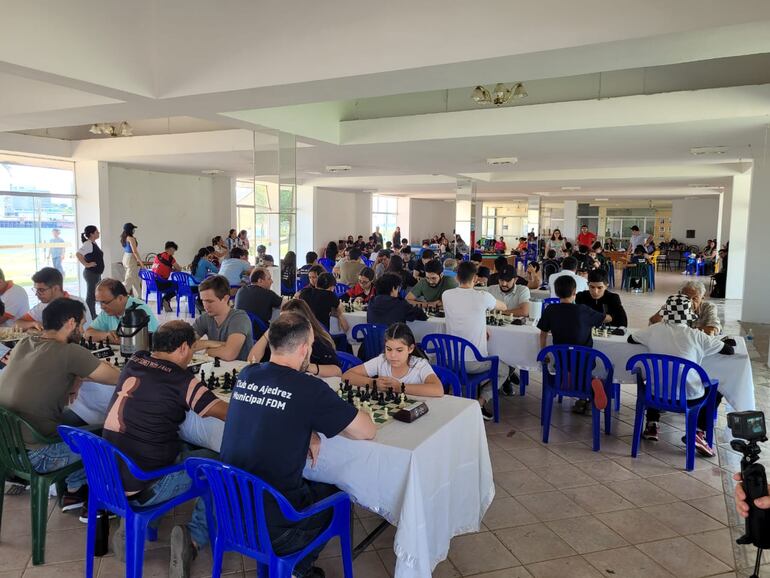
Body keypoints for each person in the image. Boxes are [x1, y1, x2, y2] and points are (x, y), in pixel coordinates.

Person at [171, 313, 376, 578]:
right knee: (338, 494)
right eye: (311, 345)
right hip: (276, 529)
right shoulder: (309, 388)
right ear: (304, 348)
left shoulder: (247, 374)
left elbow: (274, 409)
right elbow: (366, 430)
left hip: (229, 512)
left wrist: (310, 427)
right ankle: (296, 570)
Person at [102, 320, 228, 560]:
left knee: (183, 446)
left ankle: (134, 526)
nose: (191, 355)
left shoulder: (135, 360)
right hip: (144, 485)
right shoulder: (182, 380)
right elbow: (224, 412)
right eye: (191, 349)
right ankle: (193, 539)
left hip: (108, 477)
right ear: (182, 348)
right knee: (218, 465)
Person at [0, 298, 120, 511]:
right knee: (111, 439)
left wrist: (78, 376)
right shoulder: (70, 353)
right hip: (39, 456)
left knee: (73, 425)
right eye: (82, 324)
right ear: (70, 323)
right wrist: (83, 371)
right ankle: (100, 504)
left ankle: (74, 493)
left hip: (6, 449)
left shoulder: (24, 344)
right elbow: (116, 377)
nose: (83, 331)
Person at [629, 294, 734, 455]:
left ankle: (652, 424)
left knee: (656, 379)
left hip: (655, 394)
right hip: (689, 396)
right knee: (716, 389)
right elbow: (729, 350)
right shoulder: (697, 336)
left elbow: (631, 339)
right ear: (689, 315)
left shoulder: (653, 331)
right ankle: (698, 432)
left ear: (665, 312)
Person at [442, 261, 510, 420]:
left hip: (448, 360)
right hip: (474, 363)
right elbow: (504, 307)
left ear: (457, 276)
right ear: (475, 278)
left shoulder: (446, 295)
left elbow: (463, 315)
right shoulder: (483, 297)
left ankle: (454, 396)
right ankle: (479, 402)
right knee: (504, 369)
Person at [538, 275, 608, 414]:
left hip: (562, 362)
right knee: (584, 366)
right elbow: (605, 318)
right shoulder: (583, 310)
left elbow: (543, 333)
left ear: (556, 292)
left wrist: (543, 351)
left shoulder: (550, 310)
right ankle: (590, 384)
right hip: (586, 362)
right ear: (574, 292)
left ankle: (573, 387)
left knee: (564, 366)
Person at [342, 322, 443, 396]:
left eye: (399, 350)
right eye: (388, 349)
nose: (392, 355)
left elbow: (438, 390)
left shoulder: (419, 365)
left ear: (410, 349)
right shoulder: (381, 360)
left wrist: (399, 387)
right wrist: (372, 383)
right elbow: (346, 376)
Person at [247, 299, 342, 376]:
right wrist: (268, 334)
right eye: (281, 319)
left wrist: (306, 366)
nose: (283, 323)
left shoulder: (318, 341)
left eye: (287, 320)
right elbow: (252, 360)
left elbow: (337, 371)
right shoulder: (277, 336)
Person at [192, 275, 253, 361]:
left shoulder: (239, 318)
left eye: (210, 301)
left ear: (225, 298)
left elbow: (229, 354)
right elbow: (184, 346)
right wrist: (209, 343)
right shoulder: (205, 317)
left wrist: (207, 350)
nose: (205, 306)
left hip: (240, 370)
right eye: (203, 300)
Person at [15, 267, 91, 332]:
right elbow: (17, 323)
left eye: (41, 290)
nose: (37, 294)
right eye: (36, 290)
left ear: (55, 288)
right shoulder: (43, 305)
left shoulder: (76, 304)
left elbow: (73, 333)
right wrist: (33, 323)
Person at [86, 279, 160, 344]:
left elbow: (144, 341)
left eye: (105, 302)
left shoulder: (139, 310)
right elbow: (87, 333)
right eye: (99, 303)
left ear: (120, 298)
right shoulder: (107, 311)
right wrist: (105, 335)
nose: (102, 307)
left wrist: (117, 340)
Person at [649, 280, 721, 335]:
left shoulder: (709, 307)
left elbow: (712, 329)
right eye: (686, 297)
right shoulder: (673, 305)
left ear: (702, 298)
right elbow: (652, 324)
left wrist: (682, 332)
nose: (689, 301)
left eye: (694, 298)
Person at [76, 225, 104, 319]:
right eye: (97, 232)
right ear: (92, 234)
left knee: (93, 295)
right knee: (91, 296)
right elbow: (78, 254)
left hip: (96, 273)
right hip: (91, 274)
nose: (98, 233)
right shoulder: (88, 244)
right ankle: (90, 316)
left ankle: (93, 314)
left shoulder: (93, 243)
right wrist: (86, 264)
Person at [151, 241, 182, 312]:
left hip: (152, 283)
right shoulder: (170, 258)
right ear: (170, 249)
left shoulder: (158, 256)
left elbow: (161, 268)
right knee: (178, 285)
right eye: (173, 251)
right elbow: (179, 269)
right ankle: (164, 299)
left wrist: (171, 269)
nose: (173, 253)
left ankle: (166, 302)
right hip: (161, 283)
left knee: (171, 284)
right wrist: (176, 269)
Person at [120, 223, 143, 298]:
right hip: (130, 258)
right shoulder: (131, 238)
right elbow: (135, 251)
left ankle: (138, 297)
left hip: (125, 257)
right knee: (129, 278)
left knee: (135, 278)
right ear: (130, 230)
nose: (134, 230)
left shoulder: (124, 237)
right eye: (133, 229)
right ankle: (120, 293)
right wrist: (141, 263)